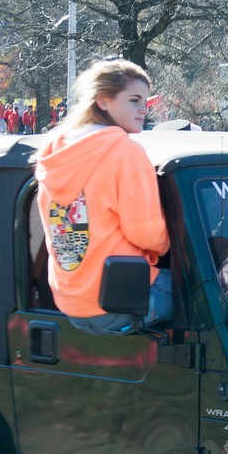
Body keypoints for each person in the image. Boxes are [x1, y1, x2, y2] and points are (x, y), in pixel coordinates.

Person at [34, 58, 170, 335]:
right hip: (120, 304)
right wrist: (170, 245)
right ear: (103, 101)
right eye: (134, 100)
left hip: (71, 303)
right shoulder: (123, 151)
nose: (144, 109)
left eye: (146, 100)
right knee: (216, 294)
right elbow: (147, 232)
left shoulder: (53, 151)